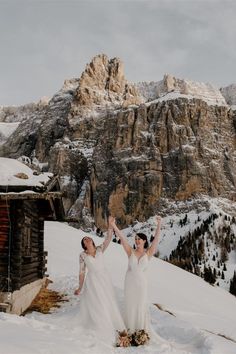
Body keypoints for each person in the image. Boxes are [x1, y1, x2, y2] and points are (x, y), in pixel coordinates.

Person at [74, 217, 126, 344]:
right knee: (98, 301)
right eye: (84, 240)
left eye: (88, 237)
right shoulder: (82, 255)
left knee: (108, 299)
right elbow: (81, 272)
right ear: (84, 244)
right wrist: (80, 287)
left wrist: (110, 226)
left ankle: (112, 321)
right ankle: (100, 324)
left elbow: (108, 239)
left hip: (104, 277)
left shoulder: (99, 249)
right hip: (93, 280)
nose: (87, 239)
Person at [109, 215, 162, 337]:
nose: (137, 241)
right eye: (136, 239)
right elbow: (122, 238)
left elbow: (156, 240)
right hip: (130, 282)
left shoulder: (148, 253)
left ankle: (141, 331)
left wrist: (159, 224)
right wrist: (113, 225)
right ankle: (129, 329)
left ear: (144, 241)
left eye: (139, 239)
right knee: (130, 303)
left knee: (140, 304)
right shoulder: (130, 252)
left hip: (141, 283)